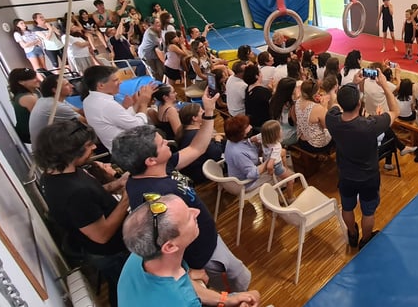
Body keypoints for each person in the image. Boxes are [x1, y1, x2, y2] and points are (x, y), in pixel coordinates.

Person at [115, 90, 252, 292]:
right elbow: (162, 245)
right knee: (236, 280)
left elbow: (197, 148)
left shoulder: (160, 166)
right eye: (161, 144)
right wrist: (190, 270)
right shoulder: (152, 198)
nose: (167, 142)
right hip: (202, 253)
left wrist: (208, 112)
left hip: (207, 238)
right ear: (150, 160)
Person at [36, 120, 130, 306]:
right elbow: (102, 235)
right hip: (111, 253)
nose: (94, 147)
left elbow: (93, 197)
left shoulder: (54, 174)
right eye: (88, 145)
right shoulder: (75, 192)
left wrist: (117, 184)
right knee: (125, 290)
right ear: (70, 152)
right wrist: (126, 199)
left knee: (118, 287)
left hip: (107, 250)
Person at [118, 194, 261, 307]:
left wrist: (225, 299)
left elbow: (183, 283)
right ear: (170, 247)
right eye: (188, 217)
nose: (196, 212)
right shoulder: (184, 302)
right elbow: (182, 293)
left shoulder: (140, 256)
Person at [326, 68, 400, 249]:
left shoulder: (332, 120)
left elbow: (334, 104)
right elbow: (395, 110)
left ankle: (352, 233)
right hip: (368, 177)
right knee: (368, 212)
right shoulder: (369, 125)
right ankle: (365, 240)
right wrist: (384, 85)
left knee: (347, 207)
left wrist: (353, 84)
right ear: (359, 105)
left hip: (345, 174)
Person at [82, 65, 155, 151]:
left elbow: (121, 118)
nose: (120, 82)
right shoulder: (107, 105)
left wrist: (138, 102)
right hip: (131, 149)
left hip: (118, 147)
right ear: (101, 85)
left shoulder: (88, 100)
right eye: (115, 80)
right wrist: (144, 103)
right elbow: (139, 126)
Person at [223, 115, 274, 190]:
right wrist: (270, 159)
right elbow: (253, 174)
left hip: (247, 170)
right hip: (247, 183)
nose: (251, 127)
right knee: (278, 170)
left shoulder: (233, 140)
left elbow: (249, 151)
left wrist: (254, 143)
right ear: (240, 133)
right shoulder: (237, 153)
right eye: (247, 126)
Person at [28, 74, 84, 144]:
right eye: (67, 85)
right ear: (55, 90)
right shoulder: (55, 106)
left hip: (49, 142)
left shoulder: (47, 99)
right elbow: (85, 122)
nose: (72, 86)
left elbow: (79, 111)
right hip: (48, 148)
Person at [175, 103, 224, 184]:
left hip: (191, 171)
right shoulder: (198, 135)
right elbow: (216, 154)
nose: (204, 112)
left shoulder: (183, 132)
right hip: (201, 173)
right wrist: (217, 140)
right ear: (194, 118)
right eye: (201, 111)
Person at [256, 120, 295, 201]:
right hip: (276, 166)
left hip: (266, 158)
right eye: (280, 129)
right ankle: (290, 198)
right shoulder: (276, 146)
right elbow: (270, 165)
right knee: (291, 180)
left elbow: (252, 139)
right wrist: (270, 172)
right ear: (276, 134)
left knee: (283, 152)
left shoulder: (262, 136)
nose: (282, 130)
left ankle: (286, 168)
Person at [294, 79, 333, 153]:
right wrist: (324, 107)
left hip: (301, 140)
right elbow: (327, 126)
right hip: (315, 145)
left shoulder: (297, 101)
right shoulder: (318, 108)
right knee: (337, 132)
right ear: (314, 94)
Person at [8, 67, 41, 143]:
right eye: (33, 78)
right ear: (21, 82)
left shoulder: (34, 92)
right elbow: (43, 118)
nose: (37, 79)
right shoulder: (27, 98)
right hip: (31, 135)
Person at [269, 77, 299, 147]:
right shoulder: (292, 105)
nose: (296, 89)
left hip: (276, 132)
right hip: (288, 137)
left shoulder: (273, 99)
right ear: (290, 91)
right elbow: (297, 123)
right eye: (295, 87)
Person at [243, 64, 272, 131]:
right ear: (256, 76)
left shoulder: (248, 88)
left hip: (252, 122)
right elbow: (273, 105)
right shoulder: (263, 92)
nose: (261, 74)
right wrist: (271, 89)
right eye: (260, 72)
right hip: (263, 124)